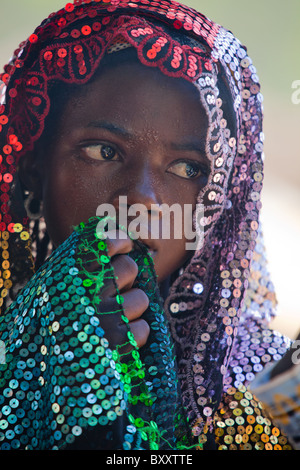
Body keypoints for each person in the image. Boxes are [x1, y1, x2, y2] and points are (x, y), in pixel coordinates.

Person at [0, 0, 294, 450]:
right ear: (34, 169)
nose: (141, 198)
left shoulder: (269, 397)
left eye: (187, 168)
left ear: (221, 204)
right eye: (102, 151)